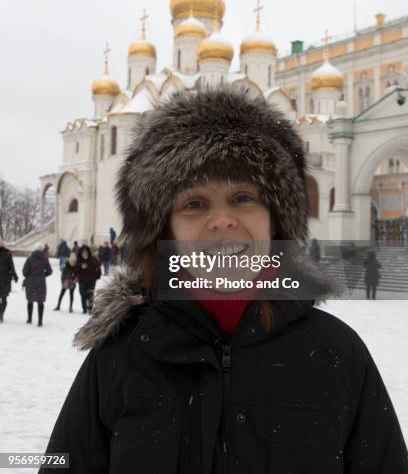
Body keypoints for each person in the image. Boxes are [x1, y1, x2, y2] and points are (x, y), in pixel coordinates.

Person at [42, 88, 408, 473]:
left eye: (243, 197)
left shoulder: (337, 355)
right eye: (194, 203)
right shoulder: (121, 354)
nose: (221, 221)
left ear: (277, 219)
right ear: (162, 230)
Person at [23, 245, 52, 327]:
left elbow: (24, 272)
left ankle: (29, 319)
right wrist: (43, 275)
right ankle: (40, 321)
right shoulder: (45, 259)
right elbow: (50, 271)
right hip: (41, 282)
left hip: (30, 282)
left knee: (30, 300)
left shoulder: (29, 259)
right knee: (40, 301)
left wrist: (29, 275)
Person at [77, 245, 101, 314]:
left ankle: (90, 308)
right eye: (83, 252)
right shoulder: (79, 260)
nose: (84, 253)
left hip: (91, 280)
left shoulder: (93, 259)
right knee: (82, 294)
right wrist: (81, 267)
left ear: (88, 252)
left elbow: (98, 267)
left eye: (86, 252)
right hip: (82, 280)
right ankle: (84, 308)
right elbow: (76, 270)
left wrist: (96, 274)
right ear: (81, 253)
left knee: (90, 294)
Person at [0, 238, 18, 323]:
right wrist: (15, 276)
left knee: (4, 298)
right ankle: (1, 314)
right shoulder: (7, 253)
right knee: (4, 298)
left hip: (5, 278)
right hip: (5, 279)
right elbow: (11, 266)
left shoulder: (8, 253)